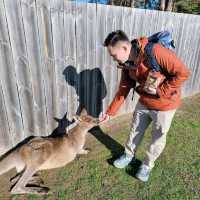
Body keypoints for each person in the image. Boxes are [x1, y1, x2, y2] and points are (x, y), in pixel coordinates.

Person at [99, 30, 190, 182]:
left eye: (113, 55)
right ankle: (128, 155)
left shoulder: (155, 51)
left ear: (125, 49)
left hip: (165, 105)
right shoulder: (127, 63)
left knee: (157, 137)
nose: (113, 59)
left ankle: (147, 166)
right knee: (135, 130)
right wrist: (110, 112)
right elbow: (124, 87)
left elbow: (183, 73)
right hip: (144, 101)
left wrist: (161, 90)